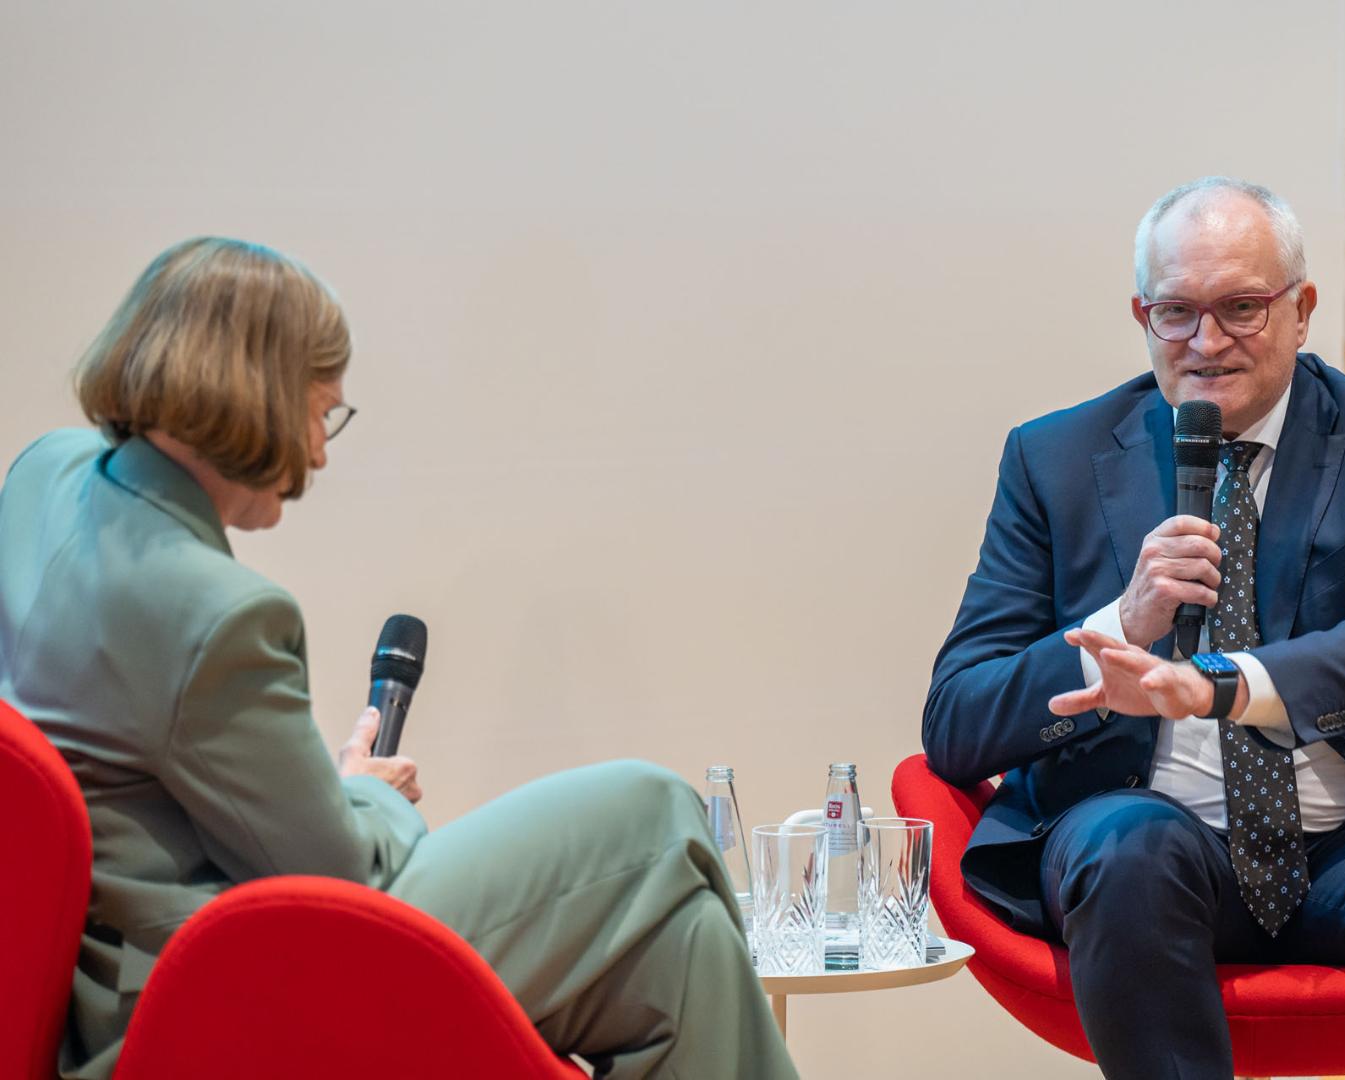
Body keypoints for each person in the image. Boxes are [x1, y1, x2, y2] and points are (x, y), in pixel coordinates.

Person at [0, 237, 798, 1080]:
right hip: (210, 997)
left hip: (120, 979)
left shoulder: (43, 476)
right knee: (653, 808)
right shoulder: (213, 613)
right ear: (257, 400)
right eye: (321, 414)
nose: (319, 453)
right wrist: (366, 792)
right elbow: (345, 871)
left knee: (685, 948)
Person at [923, 177, 1345, 1078]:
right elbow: (956, 720)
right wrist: (1124, 625)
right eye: (1176, 312)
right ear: (1142, 315)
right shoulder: (1054, 458)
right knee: (1125, 850)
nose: (1205, 342)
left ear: (1301, 311)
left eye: (1240, 307)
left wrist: (1219, 686)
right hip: (1149, 836)